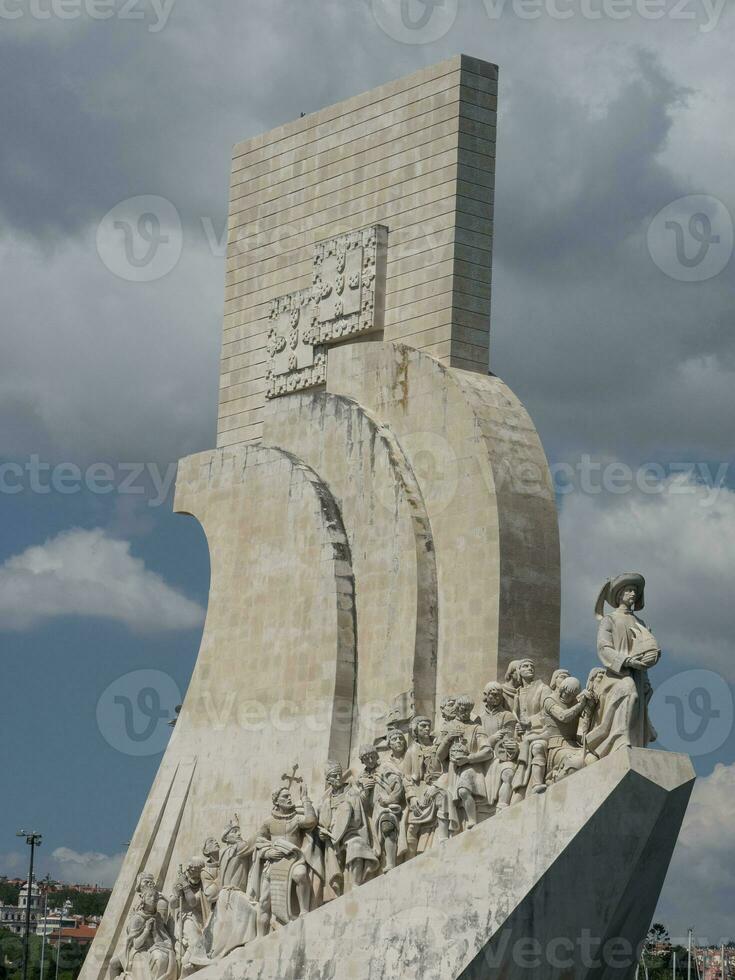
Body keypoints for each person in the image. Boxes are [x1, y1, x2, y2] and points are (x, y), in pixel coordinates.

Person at [585, 573, 660, 758]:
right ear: (620, 595)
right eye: (628, 590)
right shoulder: (609, 620)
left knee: (638, 694)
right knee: (629, 691)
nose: (632, 594)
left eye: (634, 591)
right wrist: (625, 661)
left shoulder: (640, 623)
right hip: (615, 676)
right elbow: (604, 647)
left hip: (638, 674)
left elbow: (645, 649)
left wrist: (645, 665)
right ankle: (618, 738)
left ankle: (634, 743)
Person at [249, 783, 323, 935]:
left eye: (290, 796)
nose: (289, 798)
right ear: (276, 801)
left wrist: (305, 799)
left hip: (294, 858)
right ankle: (260, 937)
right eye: (285, 796)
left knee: (301, 874)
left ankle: (304, 911)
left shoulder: (295, 818)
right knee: (263, 902)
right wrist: (267, 853)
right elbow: (259, 842)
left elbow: (311, 821)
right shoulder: (268, 822)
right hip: (274, 863)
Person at [317, 762, 379, 898]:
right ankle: (337, 889)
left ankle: (356, 884)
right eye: (334, 776)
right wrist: (323, 833)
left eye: (340, 774)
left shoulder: (352, 793)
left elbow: (358, 819)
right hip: (333, 839)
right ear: (328, 780)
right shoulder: (326, 801)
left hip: (352, 832)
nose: (338, 778)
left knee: (356, 845)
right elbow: (322, 823)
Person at [436, 695, 492, 832]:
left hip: (472, 767)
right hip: (452, 770)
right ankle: (445, 833)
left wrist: (469, 759)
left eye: (468, 710)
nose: (465, 712)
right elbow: (439, 756)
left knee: (463, 789)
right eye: (462, 709)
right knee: (440, 794)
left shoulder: (477, 728)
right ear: (457, 708)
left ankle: (471, 820)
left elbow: (488, 752)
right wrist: (448, 738)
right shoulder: (448, 727)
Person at [204, 817, 257, 959]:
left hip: (226, 895)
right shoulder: (236, 848)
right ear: (227, 838)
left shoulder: (225, 852)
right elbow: (252, 842)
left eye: (239, 831)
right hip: (232, 894)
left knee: (226, 925)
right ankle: (231, 948)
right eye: (234, 832)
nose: (239, 834)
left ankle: (223, 950)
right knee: (251, 912)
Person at [357, 743, 408, 872]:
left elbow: (398, 784)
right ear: (362, 761)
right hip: (374, 812)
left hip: (389, 806)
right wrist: (365, 791)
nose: (370, 760)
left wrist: (390, 799)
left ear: (376, 755)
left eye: (372, 756)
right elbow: (362, 804)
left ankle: (391, 863)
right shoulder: (362, 777)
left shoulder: (386, 766)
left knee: (388, 825)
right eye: (366, 758)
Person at [111, 880, 176, 980]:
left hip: (153, 948)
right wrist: (146, 930)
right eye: (150, 896)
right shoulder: (138, 918)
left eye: (155, 896)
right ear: (143, 898)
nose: (153, 899)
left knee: (162, 958)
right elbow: (136, 944)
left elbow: (162, 938)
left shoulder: (157, 916)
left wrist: (155, 932)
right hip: (139, 951)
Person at [540, 677, 596, 784]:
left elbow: (584, 723)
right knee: (575, 763)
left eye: (570, 694)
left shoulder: (576, 702)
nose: (566, 695)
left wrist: (589, 705)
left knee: (592, 760)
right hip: (557, 747)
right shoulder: (549, 700)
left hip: (574, 745)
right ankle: (552, 778)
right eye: (564, 691)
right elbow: (563, 717)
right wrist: (580, 705)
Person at [511, 659, 553, 797]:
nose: (530, 668)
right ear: (519, 671)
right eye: (525, 666)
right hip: (523, 735)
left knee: (537, 746)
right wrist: (518, 728)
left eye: (532, 666)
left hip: (541, 731)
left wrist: (529, 721)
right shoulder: (517, 693)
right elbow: (517, 715)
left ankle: (536, 784)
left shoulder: (543, 688)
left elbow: (548, 712)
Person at [169, 858, 209, 975]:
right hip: (187, 917)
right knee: (195, 941)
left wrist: (186, 886)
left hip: (201, 917)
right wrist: (177, 893)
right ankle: (192, 967)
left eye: (196, 869)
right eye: (191, 868)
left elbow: (193, 902)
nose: (191, 870)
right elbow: (172, 904)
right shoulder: (180, 880)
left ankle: (186, 969)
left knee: (198, 943)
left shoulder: (202, 882)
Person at [480, 682, 518, 749]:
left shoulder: (508, 716)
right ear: (486, 695)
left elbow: (509, 742)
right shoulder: (480, 718)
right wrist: (491, 740)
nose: (497, 698)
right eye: (494, 694)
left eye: (499, 695)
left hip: (500, 754)